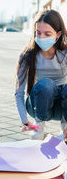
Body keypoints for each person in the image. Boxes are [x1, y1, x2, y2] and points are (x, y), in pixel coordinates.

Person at [15, 9, 67, 140]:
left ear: (58, 34)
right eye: (38, 33)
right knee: (46, 84)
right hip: (37, 104)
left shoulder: (65, 53)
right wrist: (24, 120)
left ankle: (65, 125)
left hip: (61, 107)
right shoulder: (27, 55)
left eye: (47, 33)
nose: (42, 37)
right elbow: (19, 92)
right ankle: (39, 126)